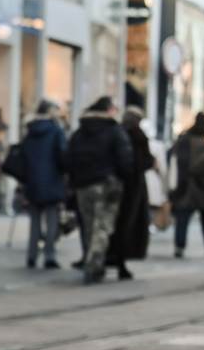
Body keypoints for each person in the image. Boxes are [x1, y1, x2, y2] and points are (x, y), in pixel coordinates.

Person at [64, 96, 132, 284]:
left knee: (88, 224)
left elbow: (68, 158)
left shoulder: (80, 132)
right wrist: (122, 176)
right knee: (102, 226)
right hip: (107, 184)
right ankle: (94, 263)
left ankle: (90, 257)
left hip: (82, 185)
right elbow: (125, 159)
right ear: (107, 110)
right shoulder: (114, 131)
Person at [106, 106, 155, 280]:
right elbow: (145, 160)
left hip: (117, 183)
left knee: (115, 222)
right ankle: (120, 260)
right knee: (127, 223)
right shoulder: (138, 136)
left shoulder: (117, 133)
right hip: (133, 186)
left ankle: (112, 256)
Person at [21, 100, 67, 269]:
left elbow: (23, 156)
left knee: (34, 221)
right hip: (52, 179)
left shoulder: (30, 131)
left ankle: (31, 255)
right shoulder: (56, 131)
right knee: (52, 220)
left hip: (32, 181)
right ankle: (49, 255)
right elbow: (63, 155)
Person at [169, 112, 204, 258]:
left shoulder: (185, 140)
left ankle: (179, 245)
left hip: (187, 185)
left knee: (183, 217)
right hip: (203, 187)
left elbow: (175, 160)